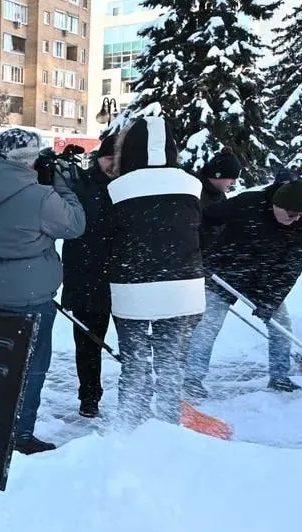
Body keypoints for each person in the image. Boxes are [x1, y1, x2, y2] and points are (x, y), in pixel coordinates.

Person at [0, 128, 86, 453]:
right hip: (29, 295)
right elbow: (75, 224)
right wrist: (63, 187)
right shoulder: (41, 198)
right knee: (31, 368)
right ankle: (19, 434)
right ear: (30, 159)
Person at [105, 117, 205, 428]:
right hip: (184, 287)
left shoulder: (117, 189)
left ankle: (129, 427)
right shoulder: (192, 185)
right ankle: (168, 427)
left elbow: (108, 237)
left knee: (135, 365)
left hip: (133, 288)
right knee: (171, 365)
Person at [183, 179, 302, 399]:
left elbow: (292, 267)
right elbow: (206, 218)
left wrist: (271, 300)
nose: (295, 219)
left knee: (281, 324)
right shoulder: (248, 203)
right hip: (225, 271)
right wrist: (202, 251)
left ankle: (280, 377)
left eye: (299, 214)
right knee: (208, 325)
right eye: (291, 214)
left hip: (265, 281)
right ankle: (192, 379)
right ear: (276, 204)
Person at [61, 134, 117, 418]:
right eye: (108, 158)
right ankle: (89, 396)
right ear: (99, 158)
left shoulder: (128, 185)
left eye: (118, 159)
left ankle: (135, 396)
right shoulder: (80, 183)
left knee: (132, 342)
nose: (113, 164)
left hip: (120, 277)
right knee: (87, 343)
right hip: (86, 276)